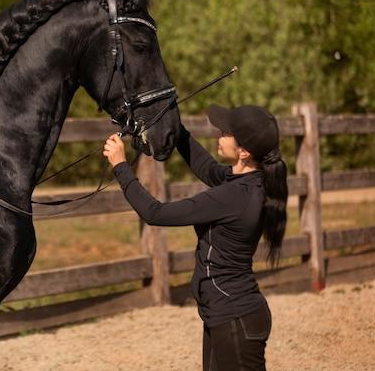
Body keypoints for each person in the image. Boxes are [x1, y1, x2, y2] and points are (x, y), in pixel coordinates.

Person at [103, 105, 288, 371]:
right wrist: (175, 125)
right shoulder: (246, 180)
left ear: (244, 151)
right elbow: (206, 168)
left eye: (226, 133)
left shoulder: (233, 197)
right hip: (229, 317)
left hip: (235, 320)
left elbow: (156, 213)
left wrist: (121, 166)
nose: (219, 135)